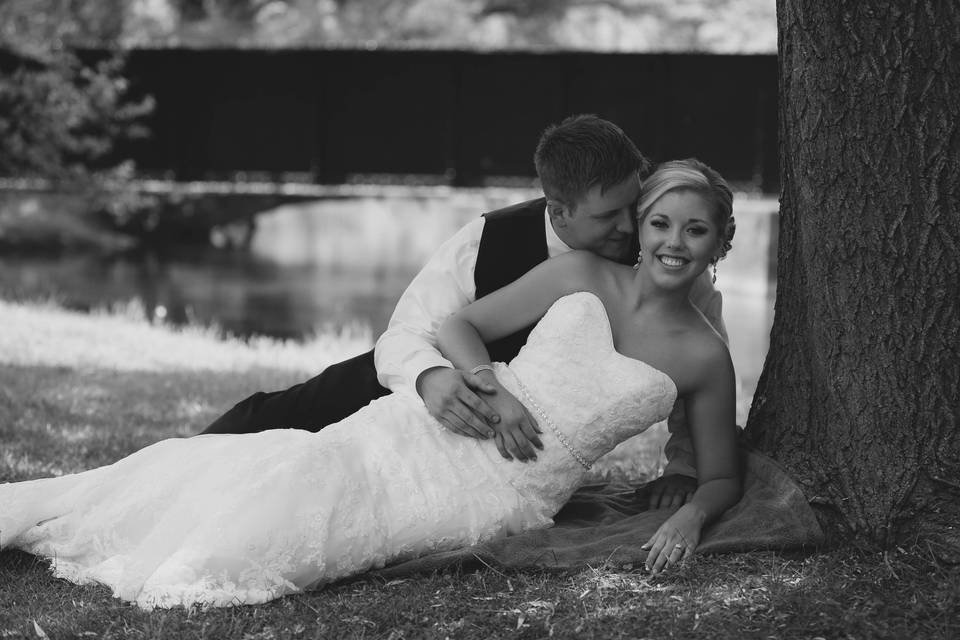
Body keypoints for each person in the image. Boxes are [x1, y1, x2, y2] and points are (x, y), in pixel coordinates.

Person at [0, 159, 741, 609]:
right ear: (639, 228)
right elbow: (454, 327)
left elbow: (720, 474)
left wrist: (690, 513)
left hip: (511, 491)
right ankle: (66, 505)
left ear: (720, 243)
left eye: (695, 230)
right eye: (660, 223)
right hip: (446, 418)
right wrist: (491, 388)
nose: (674, 242)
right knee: (302, 460)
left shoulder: (705, 354)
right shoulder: (580, 272)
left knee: (332, 533)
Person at [201, 114, 725, 505]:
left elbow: (691, 361)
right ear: (559, 210)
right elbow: (408, 330)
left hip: (508, 466)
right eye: (609, 217)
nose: (630, 229)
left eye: (634, 210)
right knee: (265, 431)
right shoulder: (487, 239)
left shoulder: (666, 262)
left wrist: (683, 468)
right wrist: (432, 377)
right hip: (421, 394)